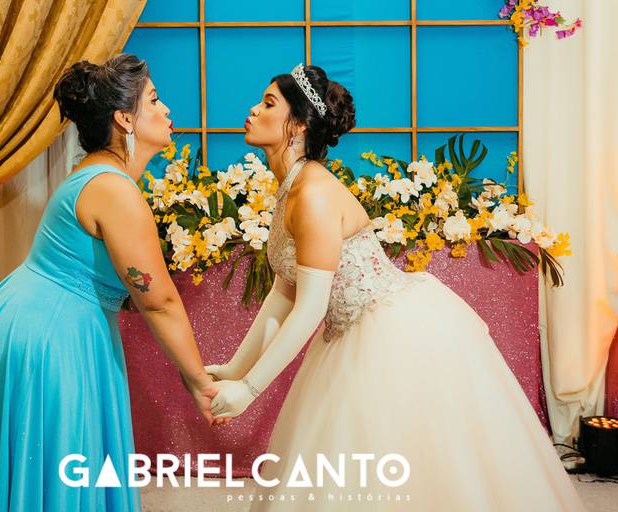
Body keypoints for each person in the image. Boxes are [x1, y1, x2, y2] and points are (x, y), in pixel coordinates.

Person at [205, 63, 585, 511]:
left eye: (268, 103)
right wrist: (235, 369)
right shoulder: (291, 186)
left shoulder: (314, 194)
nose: (253, 109)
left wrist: (249, 391)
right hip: (348, 332)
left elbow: (309, 308)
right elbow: (283, 292)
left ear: (300, 125)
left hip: (390, 333)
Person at [0, 54, 219, 511]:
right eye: (154, 100)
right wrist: (199, 382)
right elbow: (159, 301)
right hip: (46, 338)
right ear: (125, 118)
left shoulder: (99, 176)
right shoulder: (113, 189)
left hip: (30, 322)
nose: (167, 109)